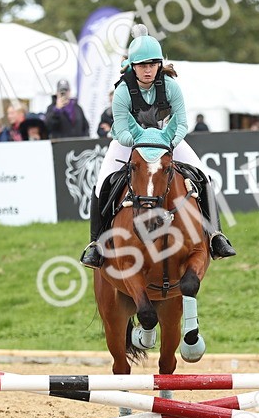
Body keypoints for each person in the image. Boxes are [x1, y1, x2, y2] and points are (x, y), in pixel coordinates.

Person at [79, 24, 236, 268]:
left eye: (153, 64)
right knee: (102, 184)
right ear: (133, 66)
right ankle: (96, 245)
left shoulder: (171, 86)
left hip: (166, 140)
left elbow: (181, 124)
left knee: (204, 176)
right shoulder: (123, 91)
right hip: (128, 142)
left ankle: (216, 235)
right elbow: (122, 130)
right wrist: (142, 142)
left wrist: (167, 142)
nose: (148, 70)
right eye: (142, 65)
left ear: (159, 65)